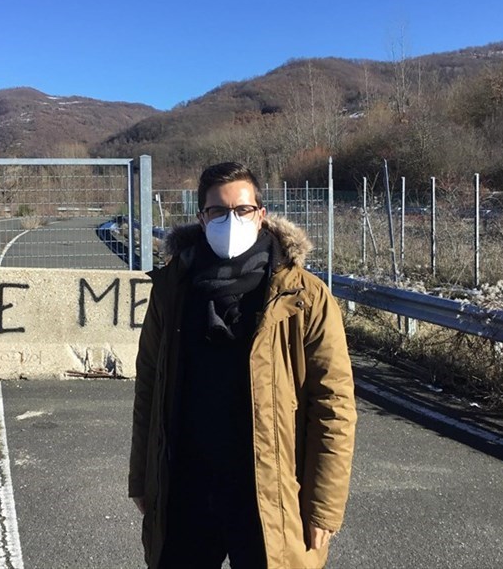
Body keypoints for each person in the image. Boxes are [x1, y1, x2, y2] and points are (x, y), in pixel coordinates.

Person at [128, 161, 357, 569]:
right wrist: (143, 478)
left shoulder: (303, 296)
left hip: (270, 492)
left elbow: (333, 405)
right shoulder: (173, 289)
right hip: (186, 485)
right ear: (201, 218)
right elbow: (149, 385)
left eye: (242, 210)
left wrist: (323, 506)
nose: (230, 220)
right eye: (217, 211)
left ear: (261, 214)